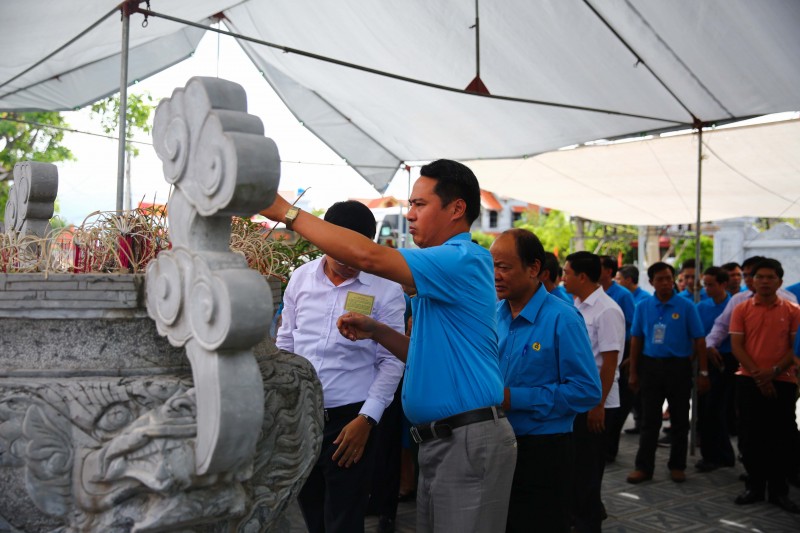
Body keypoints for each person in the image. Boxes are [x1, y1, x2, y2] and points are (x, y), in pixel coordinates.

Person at [270, 159, 517, 533]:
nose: (411, 214)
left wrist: (285, 212)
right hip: (441, 439)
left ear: (456, 208)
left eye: (419, 204)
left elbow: (367, 257)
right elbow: (424, 356)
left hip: (465, 438)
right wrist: (378, 331)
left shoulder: (461, 259)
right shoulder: (439, 273)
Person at [275, 201, 406, 533]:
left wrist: (367, 419)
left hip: (351, 420)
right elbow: (286, 342)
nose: (348, 262)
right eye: (339, 251)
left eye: (356, 253)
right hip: (303, 417)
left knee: (344, 521)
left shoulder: (385, 288)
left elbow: (391, 361)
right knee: (311, 515)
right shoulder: (301, 279)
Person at [490, 229, 601, 533]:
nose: (495, 275)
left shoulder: (562, 318)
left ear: (534, 268)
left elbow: (586, 390)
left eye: (504, 267)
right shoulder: (494, 314)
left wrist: (517, 398)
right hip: (497, 442)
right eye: (492, 266)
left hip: (543, 450)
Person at [626, 262, 709, 484]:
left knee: (681, 419)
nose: (665, 283)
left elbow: (699, 339)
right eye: (660, 279)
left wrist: (703, 372)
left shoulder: (686, 306)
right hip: (651, 367)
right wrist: (633, 372)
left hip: (678, 367)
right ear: (651, 282)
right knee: (649, 421)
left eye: (669, 278)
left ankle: (677, 465)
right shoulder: (643, 306)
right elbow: (636, 340)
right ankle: (643, 467)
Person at [730, 258, 800, 513]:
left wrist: (772, 373)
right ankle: (755, 486)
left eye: (771, 277)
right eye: (760, 277)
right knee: (750, 436)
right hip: (748, 380)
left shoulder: (793, 311)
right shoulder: (742, 308)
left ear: (780, 282)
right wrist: (760, 376)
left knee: (781, 436)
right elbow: (737, 346)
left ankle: (779, 491)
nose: (765, 281)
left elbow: (794, 348)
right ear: (753, 281)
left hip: (783, 381)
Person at [562, 251, 625, 533]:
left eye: (567, 273)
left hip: (598, 403)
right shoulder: (576, 305)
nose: (563, 278)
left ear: (582, 277)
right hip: (578, 399)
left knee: (589, 469)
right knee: (576, 468)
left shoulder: (607, 310)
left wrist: (597, 405)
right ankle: (579, 517)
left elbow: (610, 362)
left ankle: (589, 524)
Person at [694, 266, 736, 473]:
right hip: (706, 359)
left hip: (728, 360)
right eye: (705, 285)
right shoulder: (702, 307)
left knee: (717, 409)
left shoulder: (734, 304)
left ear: (723, 284)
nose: (707, 289)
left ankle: (720, 454)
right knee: (705, 408)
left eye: (711, 285)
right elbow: (698, 336)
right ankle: (716, 454)